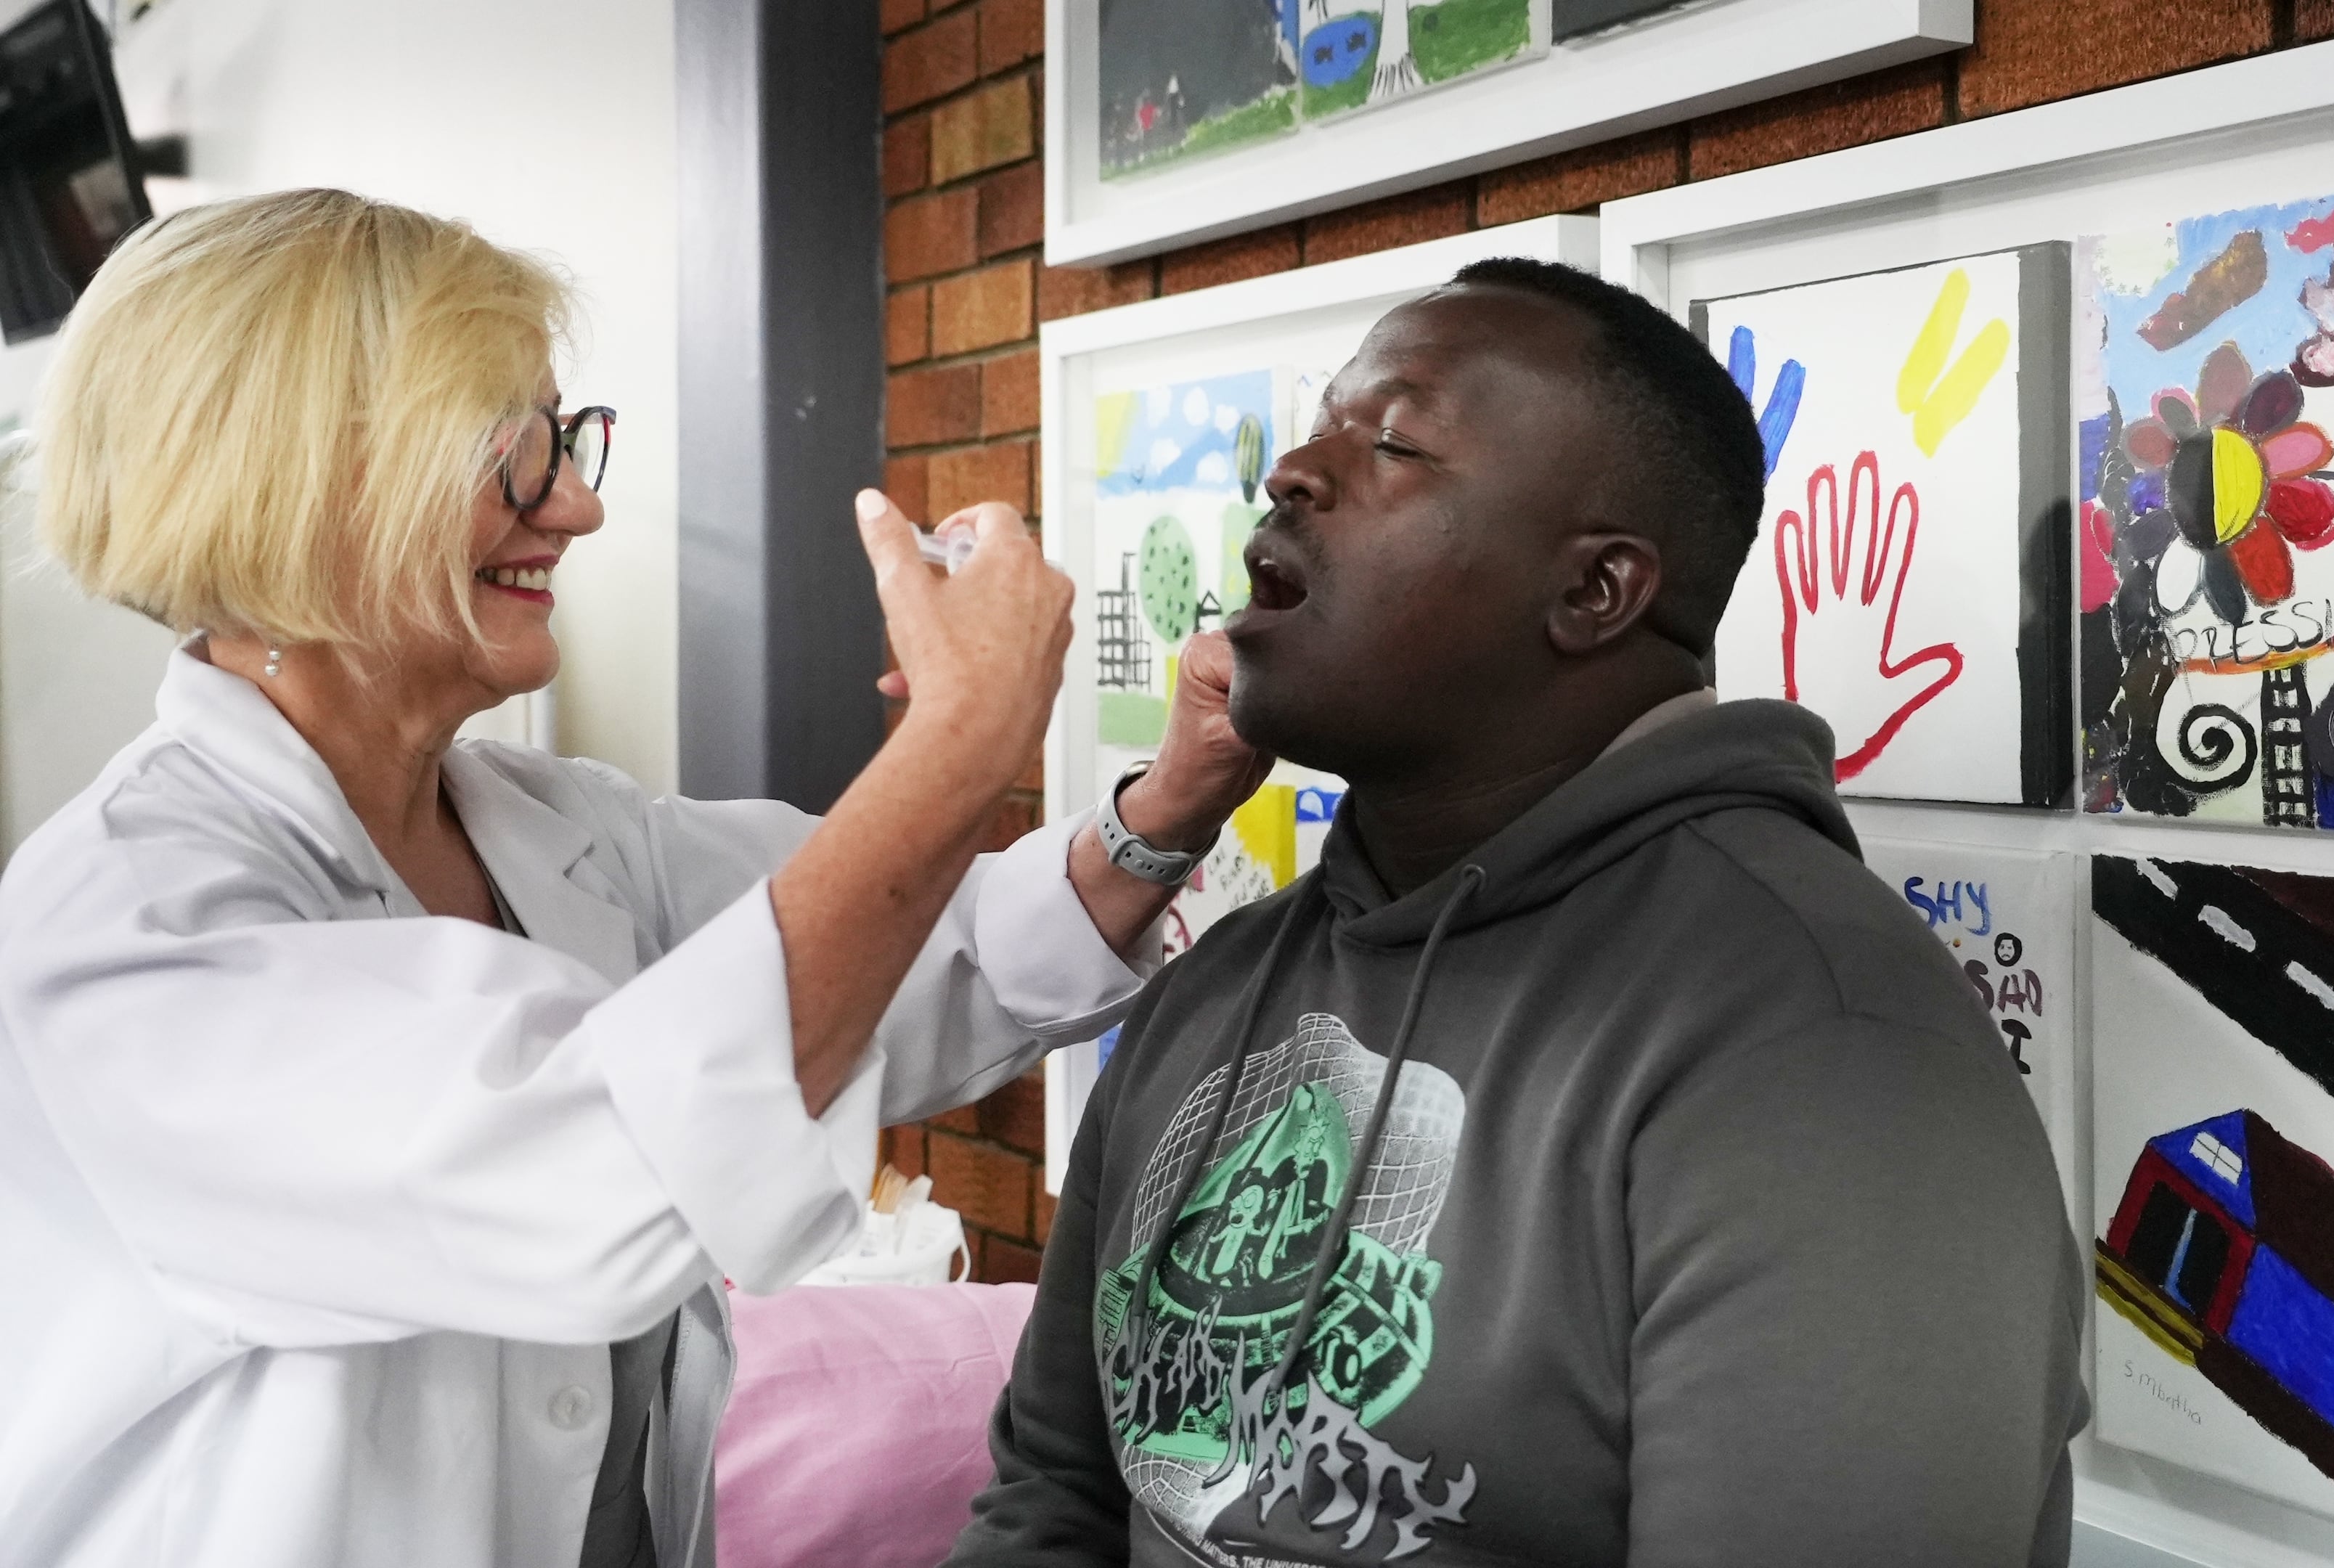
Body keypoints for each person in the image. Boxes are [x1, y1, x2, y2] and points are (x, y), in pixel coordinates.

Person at [0, 190, 1263, 1568]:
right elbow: (603, 1171)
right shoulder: (123, 934)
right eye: (519, 456)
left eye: (567, 442)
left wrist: (1175, 796)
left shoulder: (550, 827)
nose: (580, 505)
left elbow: (920, 955)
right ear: (299, 482)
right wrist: (959, 740)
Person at [950, 258, 2084, 1567]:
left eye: (1391, 444)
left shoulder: (1825, 1052)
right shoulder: (1218, 988)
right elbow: (1052, 1496)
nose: (1295, 473)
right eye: (1321, 425)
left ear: (1595, 594)